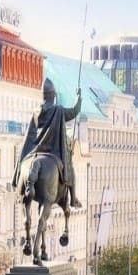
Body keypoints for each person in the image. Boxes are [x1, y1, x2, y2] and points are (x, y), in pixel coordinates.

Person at [14, 78, 83, 207]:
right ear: (53, 95)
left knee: (24, 165)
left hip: (35, 151)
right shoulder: (58, 110)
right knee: (70, 167)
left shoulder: (36, 112)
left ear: (43, 95)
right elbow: (74, 111)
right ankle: (73, 199)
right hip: (53, 151)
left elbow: (30, 135)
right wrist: (78, 98)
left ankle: (20, 187)